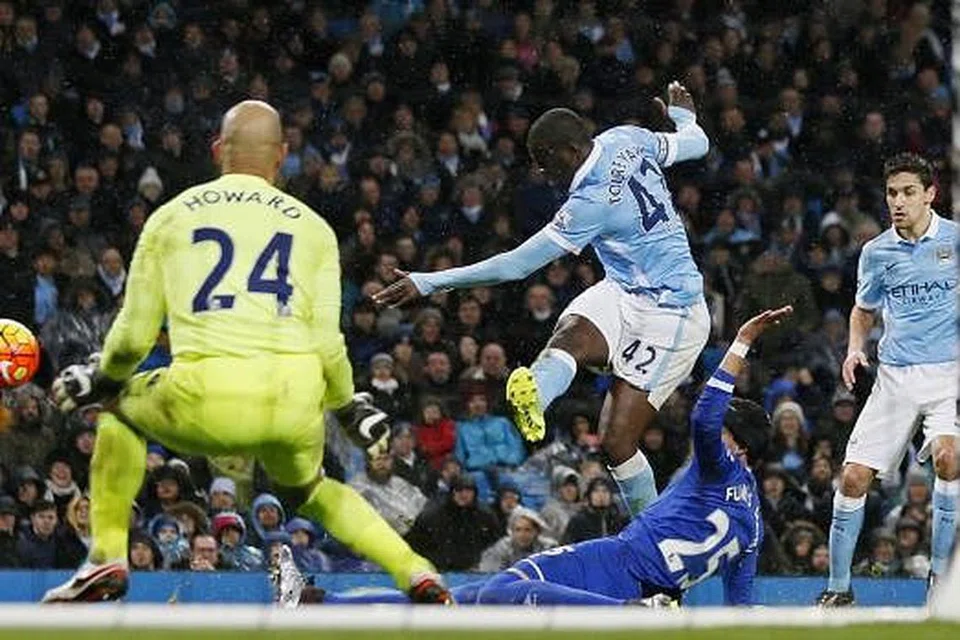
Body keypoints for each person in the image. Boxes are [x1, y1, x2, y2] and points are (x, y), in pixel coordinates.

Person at [43, 100, 449, 604]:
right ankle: (417, 572)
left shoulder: (169, 218)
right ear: (281, 155)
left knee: (118, 414)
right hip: (294, 401)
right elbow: (328, 342)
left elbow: (131, 337)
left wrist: (103, 378)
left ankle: (106, 558)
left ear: (218, 151)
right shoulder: (315, 228)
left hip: (208, 395)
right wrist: (347, 408)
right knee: (313, 490)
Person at [275, 307, 788, 608]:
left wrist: (740, 342)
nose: (709, 432)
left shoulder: (716, 465)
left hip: (616, 566)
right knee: (468, 600)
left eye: (722, 428)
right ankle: (319, 606)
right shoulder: (753, 523)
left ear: (734, 440)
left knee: (501, 590)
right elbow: (739, 608)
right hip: (643, 579)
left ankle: (632, 615)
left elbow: (703, 416)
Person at [375, 82, 711, 517]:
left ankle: (655, 541)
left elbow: (515, 266)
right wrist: (684, 118)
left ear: (569, 151)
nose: (541, 172)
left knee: (616, 442)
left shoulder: (588, 203)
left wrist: (429, 282)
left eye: (544, 161)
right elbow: (698, 143)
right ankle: (536, 393)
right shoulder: (625, 137)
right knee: (571, 332)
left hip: (674, 312)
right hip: (625, 288)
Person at [818, 153, 958, 607]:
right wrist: (855, 346)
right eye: (892, 193)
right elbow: (863, 308)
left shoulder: (955, 242)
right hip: (894, 378)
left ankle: (939, 582)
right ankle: (838, 590)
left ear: (930, 194)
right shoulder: (876, 252)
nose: (898, 201)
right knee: (854, 479)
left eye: (908, 192)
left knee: (949, 459)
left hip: (948, 376)